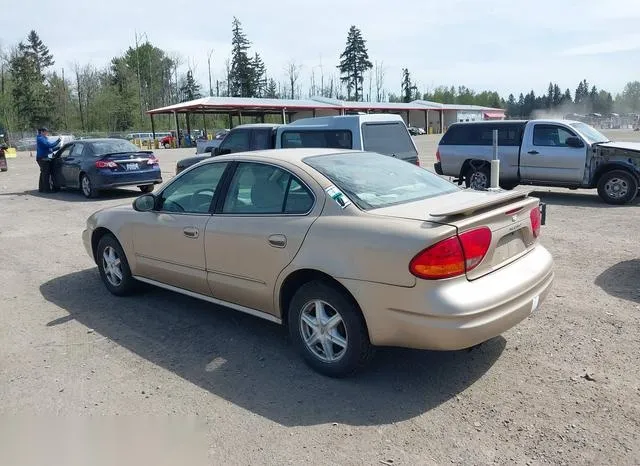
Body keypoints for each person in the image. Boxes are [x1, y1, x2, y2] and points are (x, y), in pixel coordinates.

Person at [35, 127, 60, 193]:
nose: (47, 133)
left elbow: (49, 150)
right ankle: (47, 190)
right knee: (46, 174)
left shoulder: (43, 138)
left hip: (43, 158)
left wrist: (58, 148)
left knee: (43, 173)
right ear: (42, 132)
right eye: (46, 131)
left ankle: (41, 189)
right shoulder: (40, 139)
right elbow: (49, 145)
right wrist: (58, 141)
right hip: (42, 159)